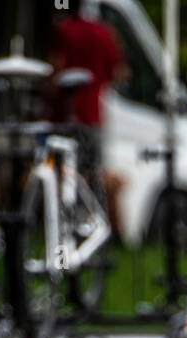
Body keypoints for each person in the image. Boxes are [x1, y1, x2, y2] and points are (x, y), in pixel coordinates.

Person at [48, 0, 127, 236]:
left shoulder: (64, 30)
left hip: (62, 116)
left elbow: (55, 69)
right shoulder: (105, 34)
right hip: (92, 117)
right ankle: (93, 226)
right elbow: (120, 73)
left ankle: (60, 225)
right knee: (92, 174)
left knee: (59, 173)